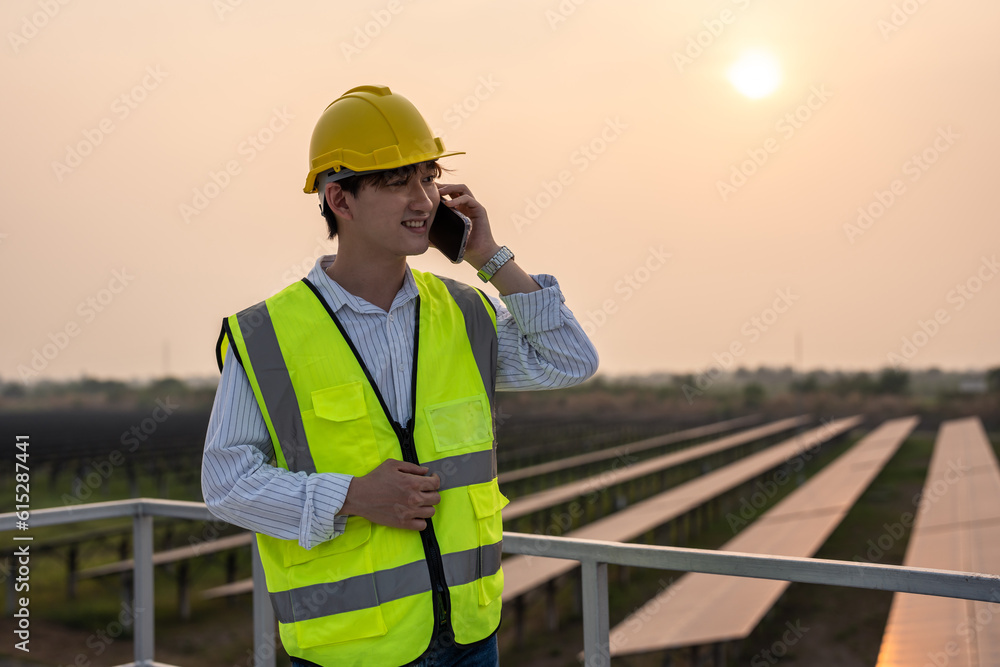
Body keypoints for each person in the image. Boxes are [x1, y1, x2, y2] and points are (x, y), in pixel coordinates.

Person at [202, 84, 599, 667]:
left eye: (429, 177)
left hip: (471, 637)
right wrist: (353, 497)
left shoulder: (466, 313)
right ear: (339, 199)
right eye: (397, 181)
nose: (425, 199)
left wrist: (490, 256)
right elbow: (227, 482)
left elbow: (570, 360)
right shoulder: (267, 336)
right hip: (353, 650)